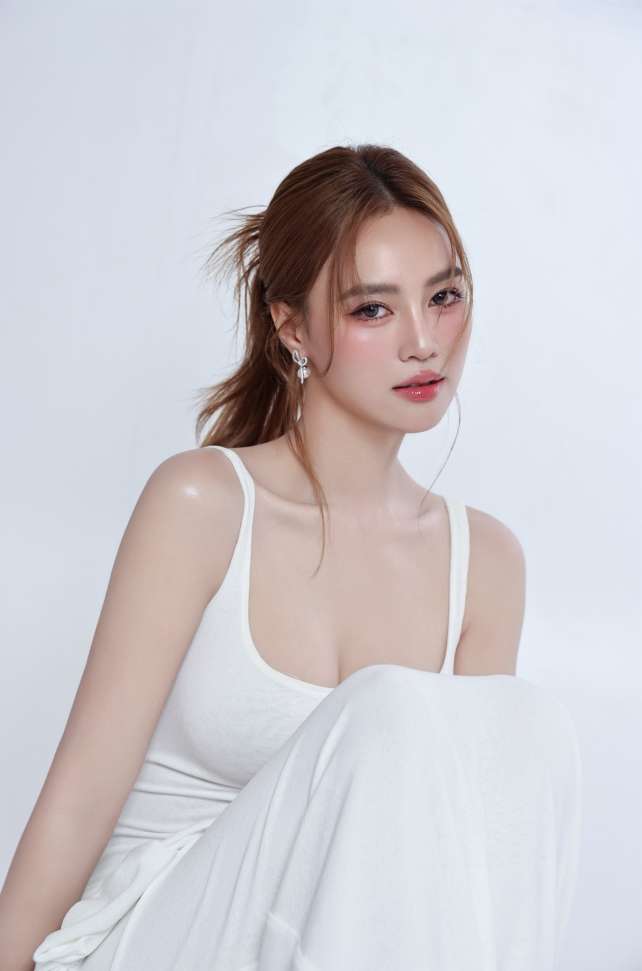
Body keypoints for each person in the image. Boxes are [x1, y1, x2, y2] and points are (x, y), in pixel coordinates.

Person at [0, 143, 582, 971]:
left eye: (444, 296)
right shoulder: (203, 504)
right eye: (373, 309)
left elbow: (469, 851)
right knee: (388, 709)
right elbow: (81, 792)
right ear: (292, 326)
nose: (425, 341)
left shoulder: (484, 561)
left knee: (530, 730)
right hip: (156, 936)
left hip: (333, 945)